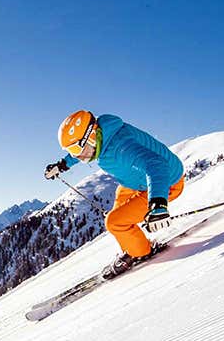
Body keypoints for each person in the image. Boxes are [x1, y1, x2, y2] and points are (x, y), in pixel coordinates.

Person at [45, 110, 185, 278]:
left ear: (91, 135)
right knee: (118, 209)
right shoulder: (102, 136)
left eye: (75, 148)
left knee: (114, 222)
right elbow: (80, 151)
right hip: (138, 183)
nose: (77, 155)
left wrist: (158, 205)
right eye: (71, 150)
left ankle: (141, 252)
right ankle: (132, 245)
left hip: (165, 183)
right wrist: (62, 165)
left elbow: (157, 165)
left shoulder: (121, 147)